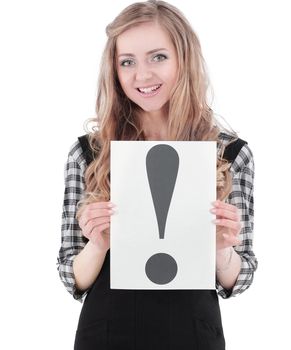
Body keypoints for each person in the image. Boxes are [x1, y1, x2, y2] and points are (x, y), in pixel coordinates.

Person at [57, 1, 257, 349]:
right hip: (107, 333)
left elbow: (237, 280)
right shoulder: (90, 153)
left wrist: (222, 248)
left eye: (158, 57)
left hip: (192, 334)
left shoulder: (229, 154)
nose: (142, 75)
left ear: (184, 59)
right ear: (114, 70)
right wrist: (99, 243)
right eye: (127, 62)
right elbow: (72, 277)